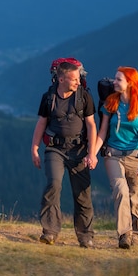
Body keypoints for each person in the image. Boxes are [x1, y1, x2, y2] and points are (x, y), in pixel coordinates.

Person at [31, 61, 98, 248]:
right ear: (61, 79)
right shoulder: (48, 98)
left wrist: (92, 153)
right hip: (55, 149)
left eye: (78, 78)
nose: (78, 82)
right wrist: (34, 148)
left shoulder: (84, 97)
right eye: (74, 79)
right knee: (53, 184)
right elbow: (41, 123)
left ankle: (85, 236)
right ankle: (50, 232)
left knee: (82, 193)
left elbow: (91, 126)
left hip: (79, 150)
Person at [90, 66, 138, 249]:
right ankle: (124, 235)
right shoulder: (111, 102)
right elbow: (102, 132)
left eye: (118, 80)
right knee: (121, 191)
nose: (114, 82)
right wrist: (92, 154)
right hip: (113, 155)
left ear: (130, 83)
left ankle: (136, 233)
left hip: (136, 155)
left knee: (135, 195)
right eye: (115, 79)